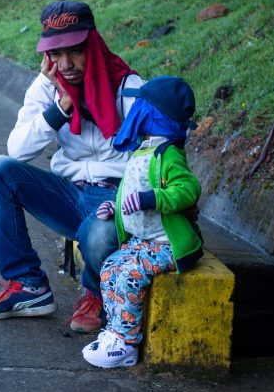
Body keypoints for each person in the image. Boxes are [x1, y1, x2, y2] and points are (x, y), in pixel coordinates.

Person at [0, 0, 142, 334]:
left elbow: (152, 159)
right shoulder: (47, 88)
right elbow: (17, 150)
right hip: (70, 195)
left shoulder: (129, 88)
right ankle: (28, 286)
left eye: (75, 51)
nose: (65, 63)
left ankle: (96, 294)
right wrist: (63, 105)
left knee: (101, 233)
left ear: (92, 45)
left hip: (116, 200)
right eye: (56, 53)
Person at [82, 75, 203, 368]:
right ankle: (115, 332)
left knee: (127, 276)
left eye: (141, 104)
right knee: (111, 268)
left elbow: (188, 189)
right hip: (143, 241)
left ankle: (126, 346)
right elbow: (129, 190)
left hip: (166, 245)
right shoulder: (142, 151)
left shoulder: (168, 154)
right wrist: (115, 207)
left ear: (153, 113)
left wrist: (153, 198)